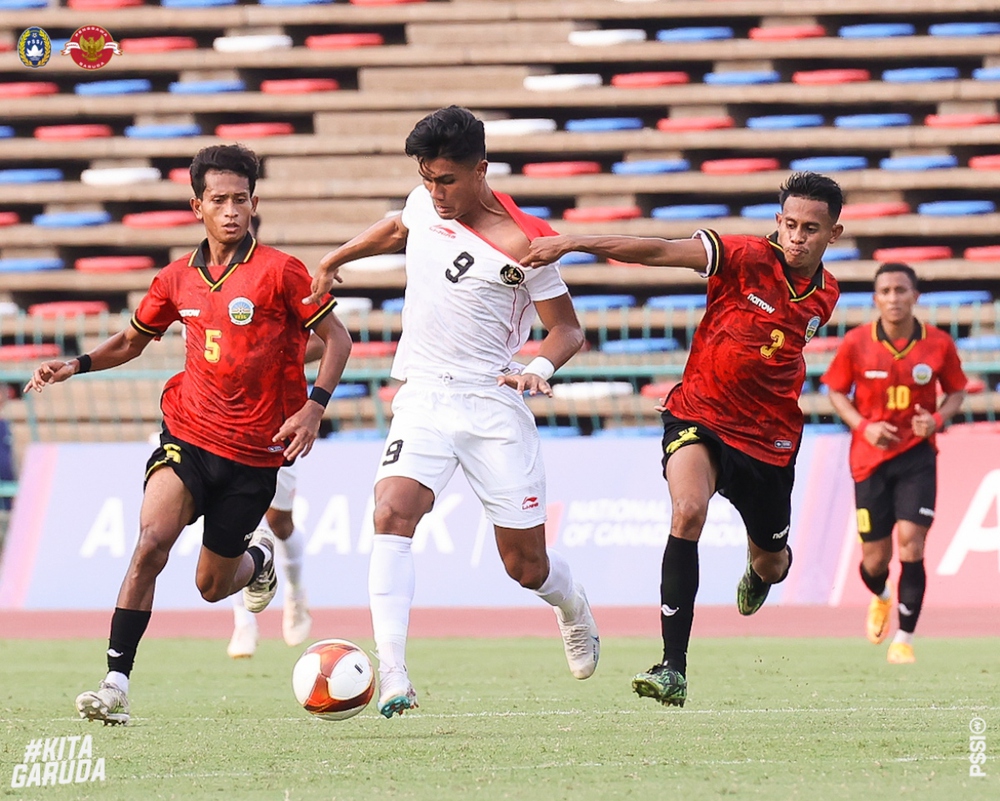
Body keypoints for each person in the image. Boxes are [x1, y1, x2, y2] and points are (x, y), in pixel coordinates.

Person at [24, 144, 353, 724]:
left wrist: (313, 408)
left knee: (211, 585)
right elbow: (132, 341)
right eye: (219, 200)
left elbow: (339, 340)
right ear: (197, 205)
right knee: (151, 543)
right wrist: (75, 364)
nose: (231, 211)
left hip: (255, 455)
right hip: (189, 435)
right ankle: (115, 683)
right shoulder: (177, 278)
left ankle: (258, 561)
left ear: (254, 204)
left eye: (241, 199)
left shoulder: (282, 271)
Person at [307, 106, 600, 719]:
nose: (435, 193)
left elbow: (568, 330)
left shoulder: (525, 240)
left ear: (481, 170)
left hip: (493, 401)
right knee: (391, 512)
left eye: (447, 180)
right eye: (427, 179)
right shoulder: (425, 204)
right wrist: (336, 258)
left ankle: (572, 606)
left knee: (526, 567)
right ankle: (393, 674)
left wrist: (538, 368)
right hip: (424, 395)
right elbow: (397, 226)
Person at [522, 171, 845, 707]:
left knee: (772, 563)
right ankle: (673, 666)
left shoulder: (826, 293)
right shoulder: (741, 255)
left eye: (810, 229)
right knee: (688, 511)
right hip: (700, 414)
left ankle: (762, 564)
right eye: (789, 224)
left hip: (770, 440)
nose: (797, 237)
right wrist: (576, 242)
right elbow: (658, 250)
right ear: (778, 221)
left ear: (834, 233)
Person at [821, 262, 966, 664]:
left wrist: (936, 420)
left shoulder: (938, 343)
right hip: (869, 461)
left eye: (901, 290)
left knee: (912, 544)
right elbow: (835, 391)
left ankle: (904, 639)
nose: (893, 298)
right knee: (874, 561)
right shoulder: (856, 342)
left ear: (915, 296)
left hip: (917, 457)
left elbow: (957, 391)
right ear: (875, 298)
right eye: (885, 291)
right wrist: (863, 426)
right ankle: (882, 595)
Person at [227, 335, 326, 658]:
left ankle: (296, 593)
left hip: (277, 419)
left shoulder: (277, 303)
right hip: (226, 420)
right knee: (230, 518)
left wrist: (264, 360)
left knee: (280, 522)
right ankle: (243, 621)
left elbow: (323, 342)